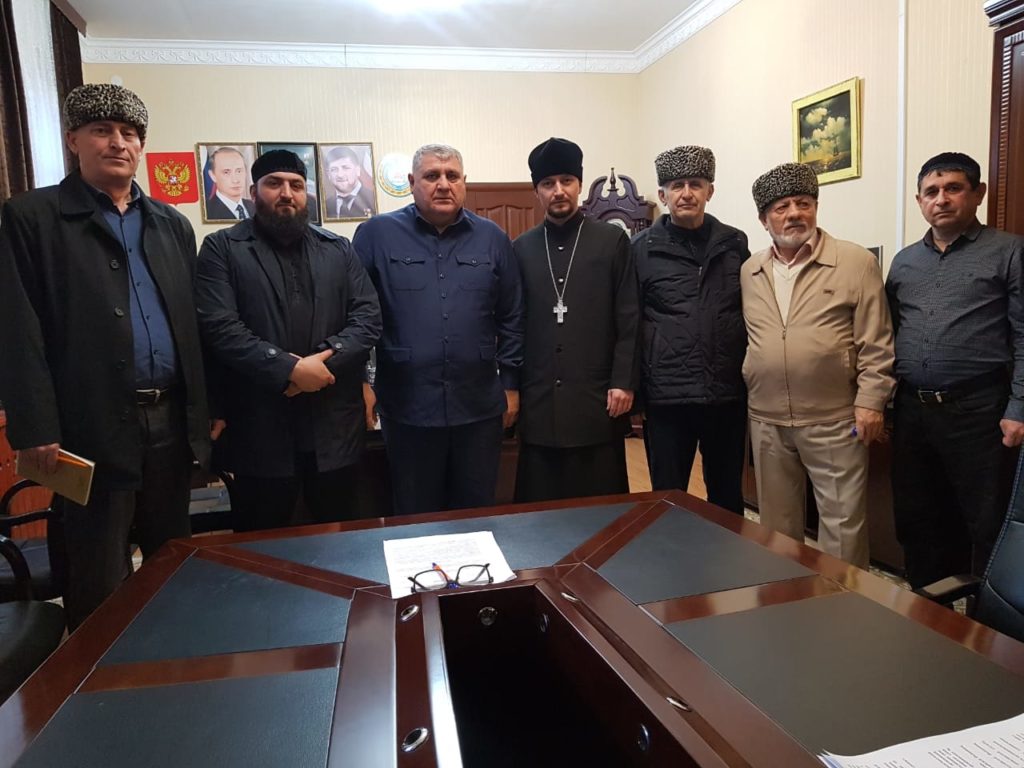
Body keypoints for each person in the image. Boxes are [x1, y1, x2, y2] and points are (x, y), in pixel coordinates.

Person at [0, 84, 212, 630]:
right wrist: (35, 425)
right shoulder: (31, 217)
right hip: (87, 423)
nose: (118, 142)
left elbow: (193, 330)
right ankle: (99, 670)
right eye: (102, 130)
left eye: (130, 133)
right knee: (97, 567)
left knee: (173, 557)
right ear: (74, 139)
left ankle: (174, 655)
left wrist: (206, 411)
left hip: (170, 418)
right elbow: (16, 328)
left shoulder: (172, 224)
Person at [195, 150, 381, 531]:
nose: (286, 193)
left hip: (333, 429)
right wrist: (290, 369)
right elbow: (220, 327)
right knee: (264, 547)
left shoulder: (337, 248)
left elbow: (368, 318)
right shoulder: (222, 248)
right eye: (274, 184)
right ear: (253, 193)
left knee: (341, 542)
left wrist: (322, 364)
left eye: (296, 185)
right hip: (259, 428)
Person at [353, 144, 523, 515]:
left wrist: (510, 384)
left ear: (465, 182)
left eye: (452, 176)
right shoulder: (376, 234)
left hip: (478, 407)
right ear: (412, 182)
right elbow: (356, 314)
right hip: (408, 405)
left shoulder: (493, 238)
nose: (443, 184)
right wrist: (360, 381)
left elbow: (512, 315)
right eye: (432, 176)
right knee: (416, 514)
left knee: (476, 512)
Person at [741, 162, 895, 567]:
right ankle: (783, 595)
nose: (794, 213)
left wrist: (871, 402)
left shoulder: (855, 262)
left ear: (815, 208)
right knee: (776, 527)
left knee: (843, 527)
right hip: (767, 418)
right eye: (782, 207)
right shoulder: (750, 270)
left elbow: (876, 340)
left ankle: (843, 601)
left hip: (835, 419)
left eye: (803, 203)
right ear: (764, 219)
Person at [886, 151, 1024, 588]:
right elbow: (889, 333)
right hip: (913, 411)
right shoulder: (904, 262)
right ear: (919, 201)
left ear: (978, 194)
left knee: (985, 521)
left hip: (979, 411)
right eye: (931, 191)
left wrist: (1019, 407)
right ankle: (926, 607)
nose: (941, 199)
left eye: (953, 188)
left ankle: (984, 618)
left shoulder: (1009, 252)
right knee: (917, 517)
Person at [512, 137, 640, 502]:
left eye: (566, 181)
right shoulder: (521, 248)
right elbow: (513, 323)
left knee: (601, 508)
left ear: (579, 184)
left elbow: (629, 315)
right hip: (539, 400)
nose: (558, 191)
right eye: (548, 183)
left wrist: (623, 381)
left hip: (597, 399)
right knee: (541, 509)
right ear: (536, 191)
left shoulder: (612, 241)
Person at [632, 145, 750, 513]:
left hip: (726, 393)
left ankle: (727, 553)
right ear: (663, 194)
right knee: (668, 500)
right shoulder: (640, 249)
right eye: (677, 185)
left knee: (727, 499)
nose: (686, 193)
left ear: (709, 191)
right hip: (668, 397)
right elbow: (630, 322)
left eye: (695, 184)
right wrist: (636, 394)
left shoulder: (735, 244)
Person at [205, 146, 255, 220]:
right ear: (213, 176)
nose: (235, 180)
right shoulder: (207, 211)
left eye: (239, 171)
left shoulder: (255, 207)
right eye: (226, 172)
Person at [325, 146, 376, 218]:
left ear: (358, 170)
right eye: (334, 169)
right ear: (328, 175)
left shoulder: (373, 200)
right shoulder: (325, 205)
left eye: (345, 168)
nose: (340, 175)